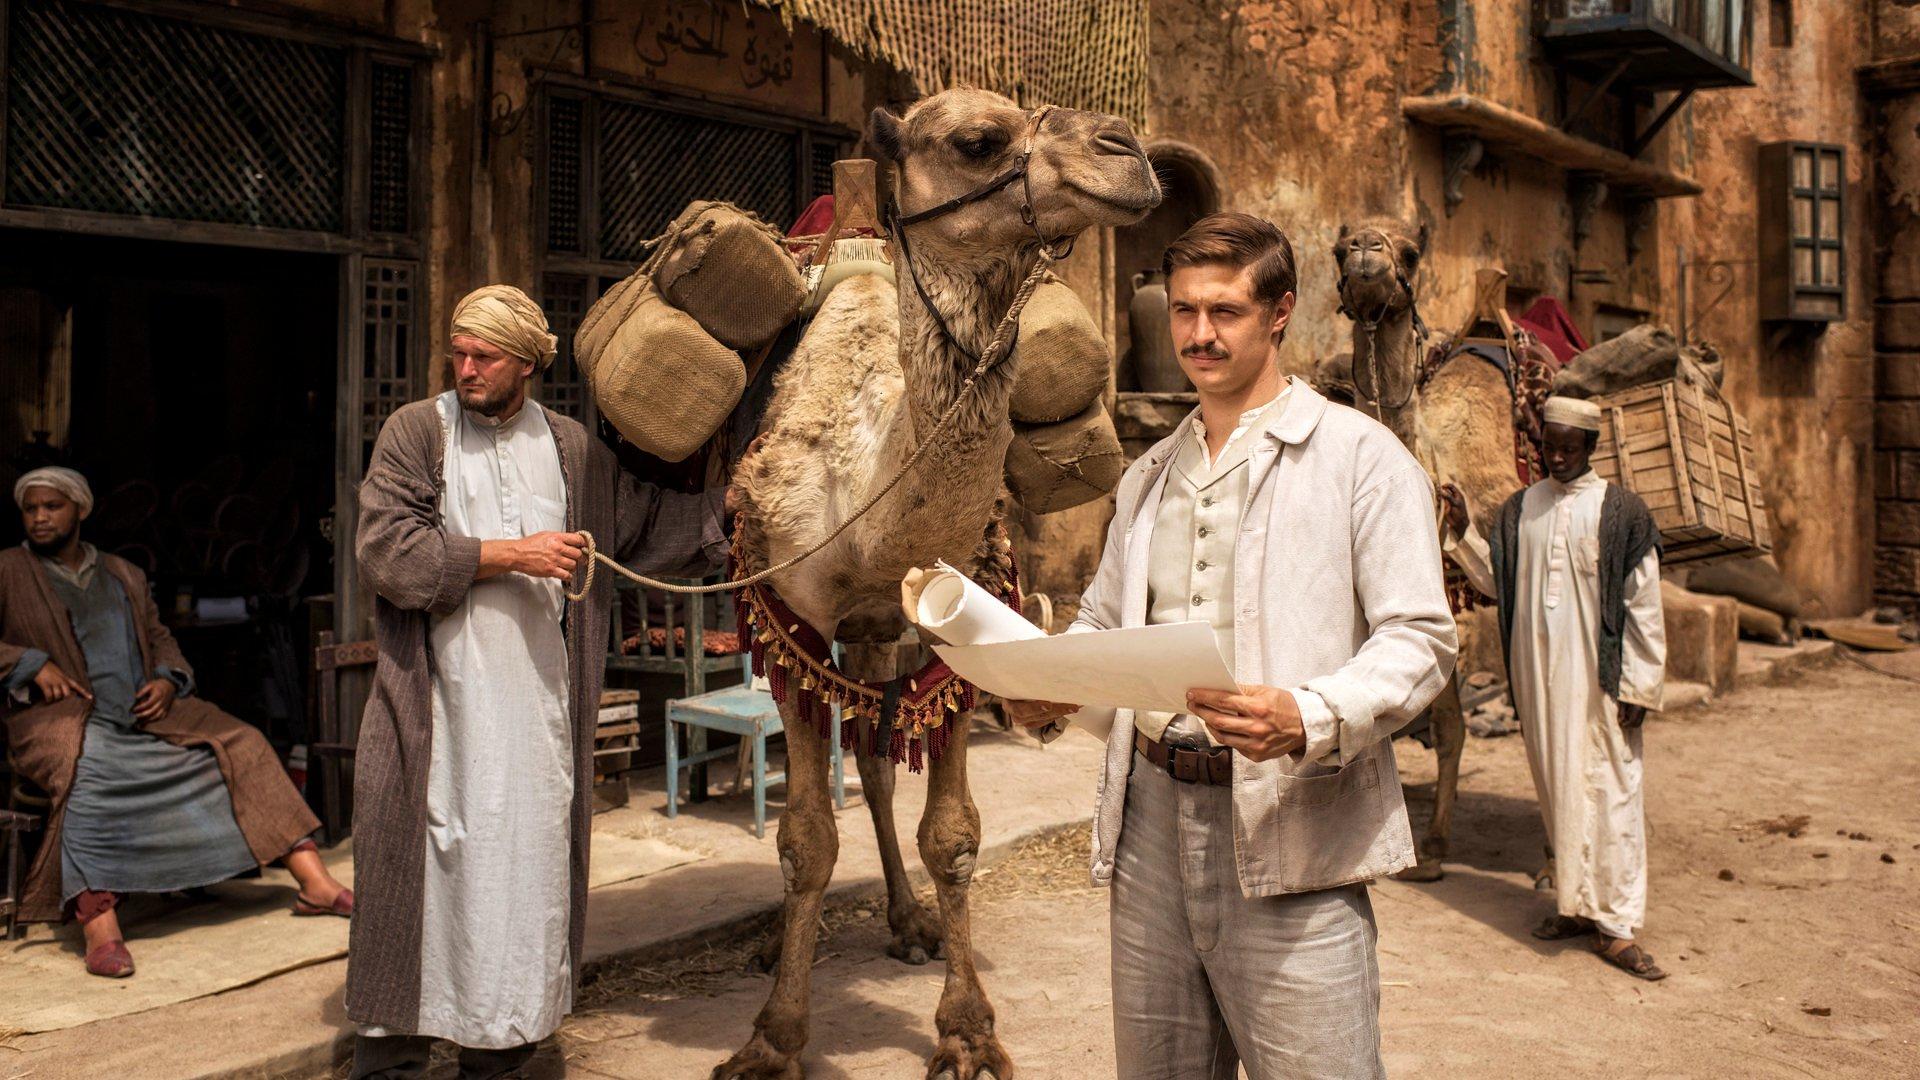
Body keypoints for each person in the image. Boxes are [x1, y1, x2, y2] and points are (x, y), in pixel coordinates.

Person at [989, 214, 1457, 1078]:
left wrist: (1311, 713)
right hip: (1150, 828)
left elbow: (1422, 639)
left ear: (1279, 313)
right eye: (1183, 310)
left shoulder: (1360, 457)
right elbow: (1105, 628)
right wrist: (1047, 683)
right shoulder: (1148, 475)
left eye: (1226, 311)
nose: (1199, 335)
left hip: (1294, 823)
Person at [346, 285, 733, 1079]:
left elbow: (648, 529)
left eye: (482, 356)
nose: (465, 368)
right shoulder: (417, 433)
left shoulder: (572, 449)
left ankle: (504, 1034)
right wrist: (508, 554)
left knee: (519, 868)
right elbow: (387, 552)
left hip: (536, 713)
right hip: (437, 706)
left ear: (527, 360)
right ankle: (397, 1049)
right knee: (422, 862)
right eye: (457, 353)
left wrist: (741, 509)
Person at [0, 467, 346, 979]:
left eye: (52, 506)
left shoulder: (123, 573)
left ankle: (314, 881)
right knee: (91, 766)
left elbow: (161, 640)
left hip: (142, 714)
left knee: (242, 744)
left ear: (80, 510)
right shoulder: (8, 569)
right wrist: (32, 663)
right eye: (31, 509)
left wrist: (165, 679)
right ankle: (100, 922)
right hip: (59, 720)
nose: (40, 517)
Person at [1441, 395, 1668, 980]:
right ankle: (1574, 905)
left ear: (1592, 447)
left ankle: (1616, 926)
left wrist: (1641, 684)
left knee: (1613, 790)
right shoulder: (1521, 511)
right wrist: (1465, 532)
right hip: (1540, 680)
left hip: (1602, 681)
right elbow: (1498, 584)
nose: (1559, 456)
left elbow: (1644, 604)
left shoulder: (1623, 513)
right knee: (1559, 790)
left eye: (1570, 447)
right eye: (1550, 446)